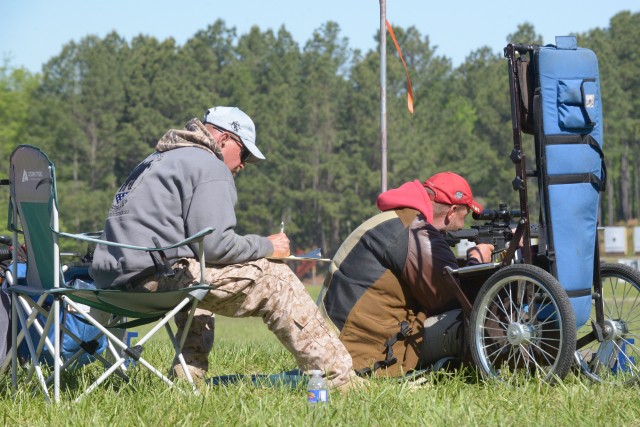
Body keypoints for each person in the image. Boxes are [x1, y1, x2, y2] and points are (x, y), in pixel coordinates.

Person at [90, 106, 359, 390]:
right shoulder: (208, 164)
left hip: (111, 283)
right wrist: (268, 246)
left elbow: (197, 246)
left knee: (196, 275)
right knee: (275, 278)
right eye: (244, 154)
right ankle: (340, 381)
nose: (242, 165)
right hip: (156, 278)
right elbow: (216, 246)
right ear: (224, 140)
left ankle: (186, 382)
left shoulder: (155, 161)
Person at [316, 172, 494, 377]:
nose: (460, 228)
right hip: (360, 356)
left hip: (337, 344)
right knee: (478, 319)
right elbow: (455, 299)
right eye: (462, 219)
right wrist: (477, 261)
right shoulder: (416, 232)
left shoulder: (396, 220)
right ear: (452, 211)